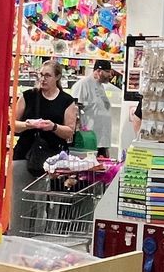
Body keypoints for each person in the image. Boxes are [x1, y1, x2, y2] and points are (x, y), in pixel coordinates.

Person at [10, 62, 79, 225]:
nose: (43, 79)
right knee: (20, 202)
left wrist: (53, 127)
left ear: (58, 77)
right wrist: (29, 124)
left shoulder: (66, 101)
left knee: (46, 204)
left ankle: (42, 235)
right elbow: (13, 125)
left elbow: (69, 131)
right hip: (24, 154)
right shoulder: (28, 96)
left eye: (47, 75)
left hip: (54, 160)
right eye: (40, 74)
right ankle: (18, 235)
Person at [74, 58, 118, 153]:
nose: (110, 75)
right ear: (98, 71)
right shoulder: (83, 84)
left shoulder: (100, 86)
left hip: (102, 139)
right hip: (89, 138)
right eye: (107, 72)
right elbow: (75, 108)